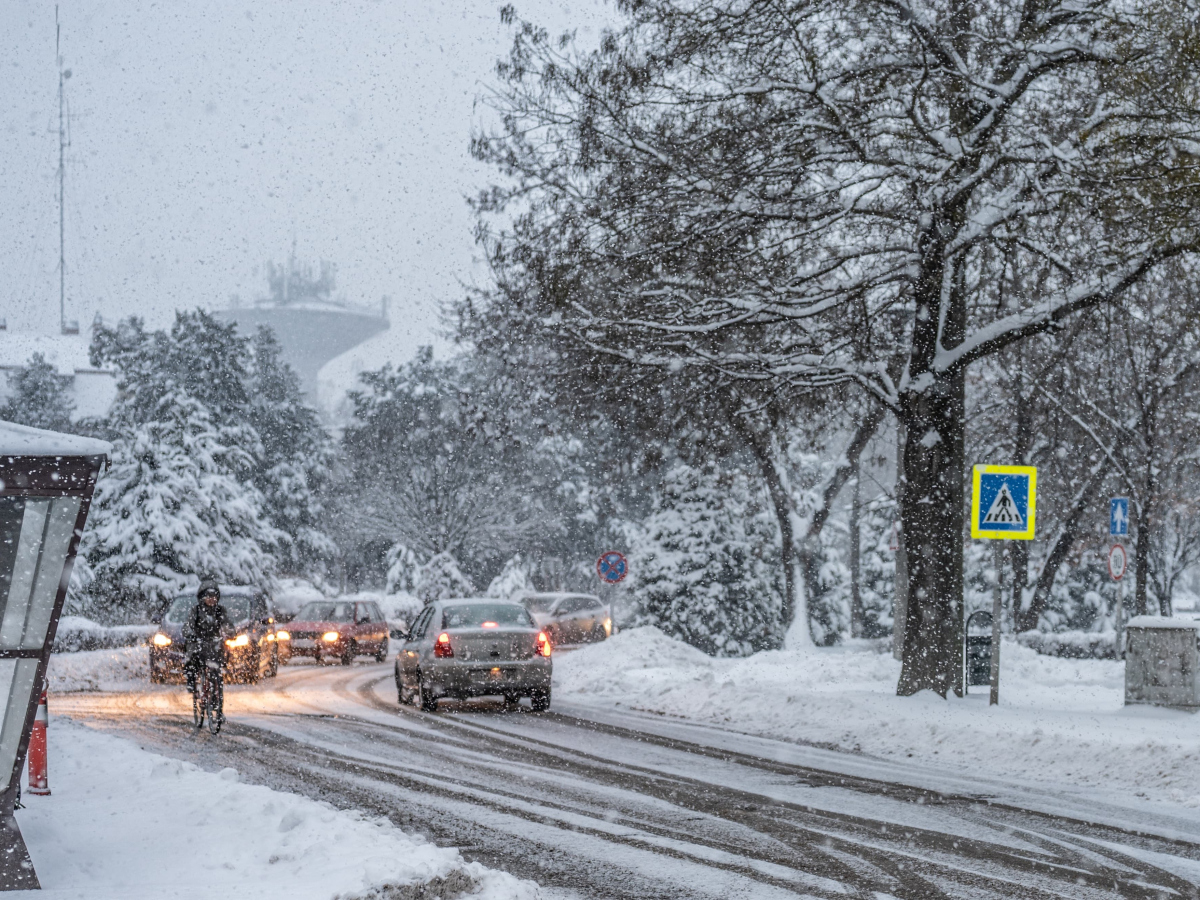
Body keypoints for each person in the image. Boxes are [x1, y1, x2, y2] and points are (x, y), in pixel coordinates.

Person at [183, 581, 234, 700]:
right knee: (193, 660)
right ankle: (192, 682)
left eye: (214, 596)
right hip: (198, 643)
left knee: (221, 660)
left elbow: (227, 624)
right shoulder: (196, 611)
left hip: (214, 643)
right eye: (208, 596)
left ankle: (216, 695)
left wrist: (230, 632)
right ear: (202, 597)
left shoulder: (220, 611)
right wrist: (191, 635)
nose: (212, 599)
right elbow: (187, 626)